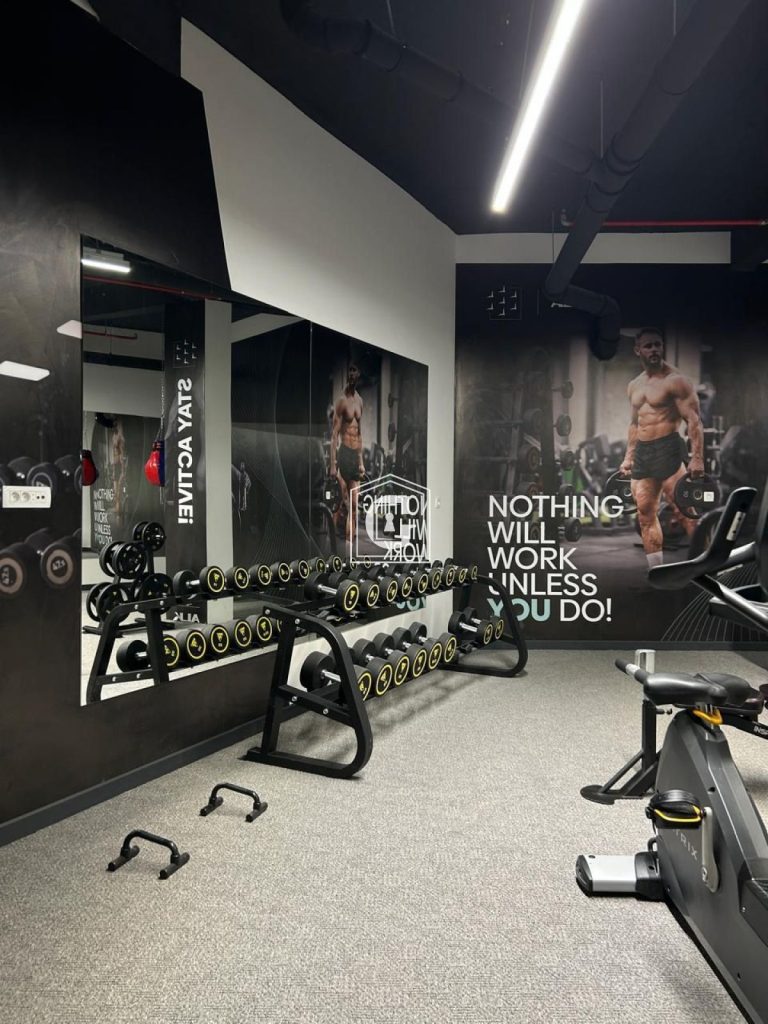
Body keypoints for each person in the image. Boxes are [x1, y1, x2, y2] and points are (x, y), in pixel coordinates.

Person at [618, 327, 704, 568]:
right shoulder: (634, 385)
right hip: (643, 453)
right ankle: (657, 571)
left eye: (658, 344)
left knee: (685, 512)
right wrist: (628, 456)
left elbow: (694, 421)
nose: (654, 349)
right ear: (638, 350)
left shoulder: (676, 381)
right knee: (645, 514)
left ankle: (707, 569)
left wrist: (697, 458)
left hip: (668, 448)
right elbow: (635, 424)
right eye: (648, 346)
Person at [330, 363, 366, 546]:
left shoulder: (359, 401)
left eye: (355, 370)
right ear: (347, 374)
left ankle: (349, 549)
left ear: (358, 374)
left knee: (353, 505)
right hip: (343, 454)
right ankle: (330, 545)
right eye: (349, 370)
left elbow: (359, 434)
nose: (352, 374)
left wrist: (361, 461)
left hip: (354, 456)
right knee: (340, 502)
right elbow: (334, 435)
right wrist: (332, 464)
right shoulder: (341, 401)